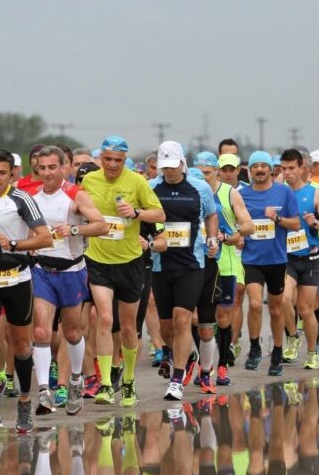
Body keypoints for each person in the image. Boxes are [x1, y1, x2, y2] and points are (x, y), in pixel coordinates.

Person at [0, 149, 53, 433]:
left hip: (17, 278)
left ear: (12, 173)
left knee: (21, 345)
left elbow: (45, 238)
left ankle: (26, 402)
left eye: (2, 173)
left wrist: (13, 245)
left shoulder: (21, 199)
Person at [81, 136, 165, 406]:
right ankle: (106, 383)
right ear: (100, 159)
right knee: (104, 319)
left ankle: (128, 380)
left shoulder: (137, 182)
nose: (113, 164)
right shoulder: (90, 181)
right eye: (108, 159)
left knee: (129, 327)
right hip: (97, 259)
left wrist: (136, 212)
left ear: (125, 160)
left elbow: (160, 214)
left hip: (129, 261)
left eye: (118, 160)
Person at [30, 146, 108, 416]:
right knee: (40, 331)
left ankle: (75, 379)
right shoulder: (31, 197)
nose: (48, 173)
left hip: (72, 271)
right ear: (37, 169)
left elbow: (102, 225)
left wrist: (74, 228)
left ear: (64, 167)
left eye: (53, 167)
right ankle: (43, 390)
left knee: (72, 332)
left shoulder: (76, 195)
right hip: (42, 269)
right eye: (43, 168)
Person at [148, 141, 219, 400]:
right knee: (167, 327)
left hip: (191, 263)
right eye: (163, 167)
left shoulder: (199, 188)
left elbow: (211, 216)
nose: (168, 172)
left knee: (182, 318)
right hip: (160, 263)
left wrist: (212, 239)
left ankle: (177, 380)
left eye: (172, 166)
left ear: (182, 162)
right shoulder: (151, 188)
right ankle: (187, 355)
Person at [238, 151, 300, 376]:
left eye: (264, 165)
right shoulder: (242, 195)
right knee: (254, 304)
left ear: (271, 170)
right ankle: (254, 347)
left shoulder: (283, 192)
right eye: (256, 166)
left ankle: (277, 350)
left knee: (275, 309)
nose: (260, 169)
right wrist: (239, 235)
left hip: (276, 259)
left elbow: (295, 224)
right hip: (251, 259)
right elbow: (235, 223)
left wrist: (277, 219)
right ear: (249, 170)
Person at [197, 152, 254, 385]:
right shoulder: (192, 192)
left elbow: (249, 225)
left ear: (217, 172)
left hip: (226, 263)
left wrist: (232, 236)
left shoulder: (228, 193)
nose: (203, 178)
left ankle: (221, 366)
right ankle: (203, 363)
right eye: (199, 173)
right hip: (198, 263)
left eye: (207, 173)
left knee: (222, 317)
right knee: (195, 317)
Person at [278, 148, 319, 370]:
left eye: (292, 168)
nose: (288, 173)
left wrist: (315, 223)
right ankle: (292, 337)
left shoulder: (315, 193)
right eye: (284, 169)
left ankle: (312, 351)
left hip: (310, 257)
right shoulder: (279, 193)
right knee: (283, 299)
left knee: (306, 309)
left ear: (302, 168)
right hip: (286, 258)